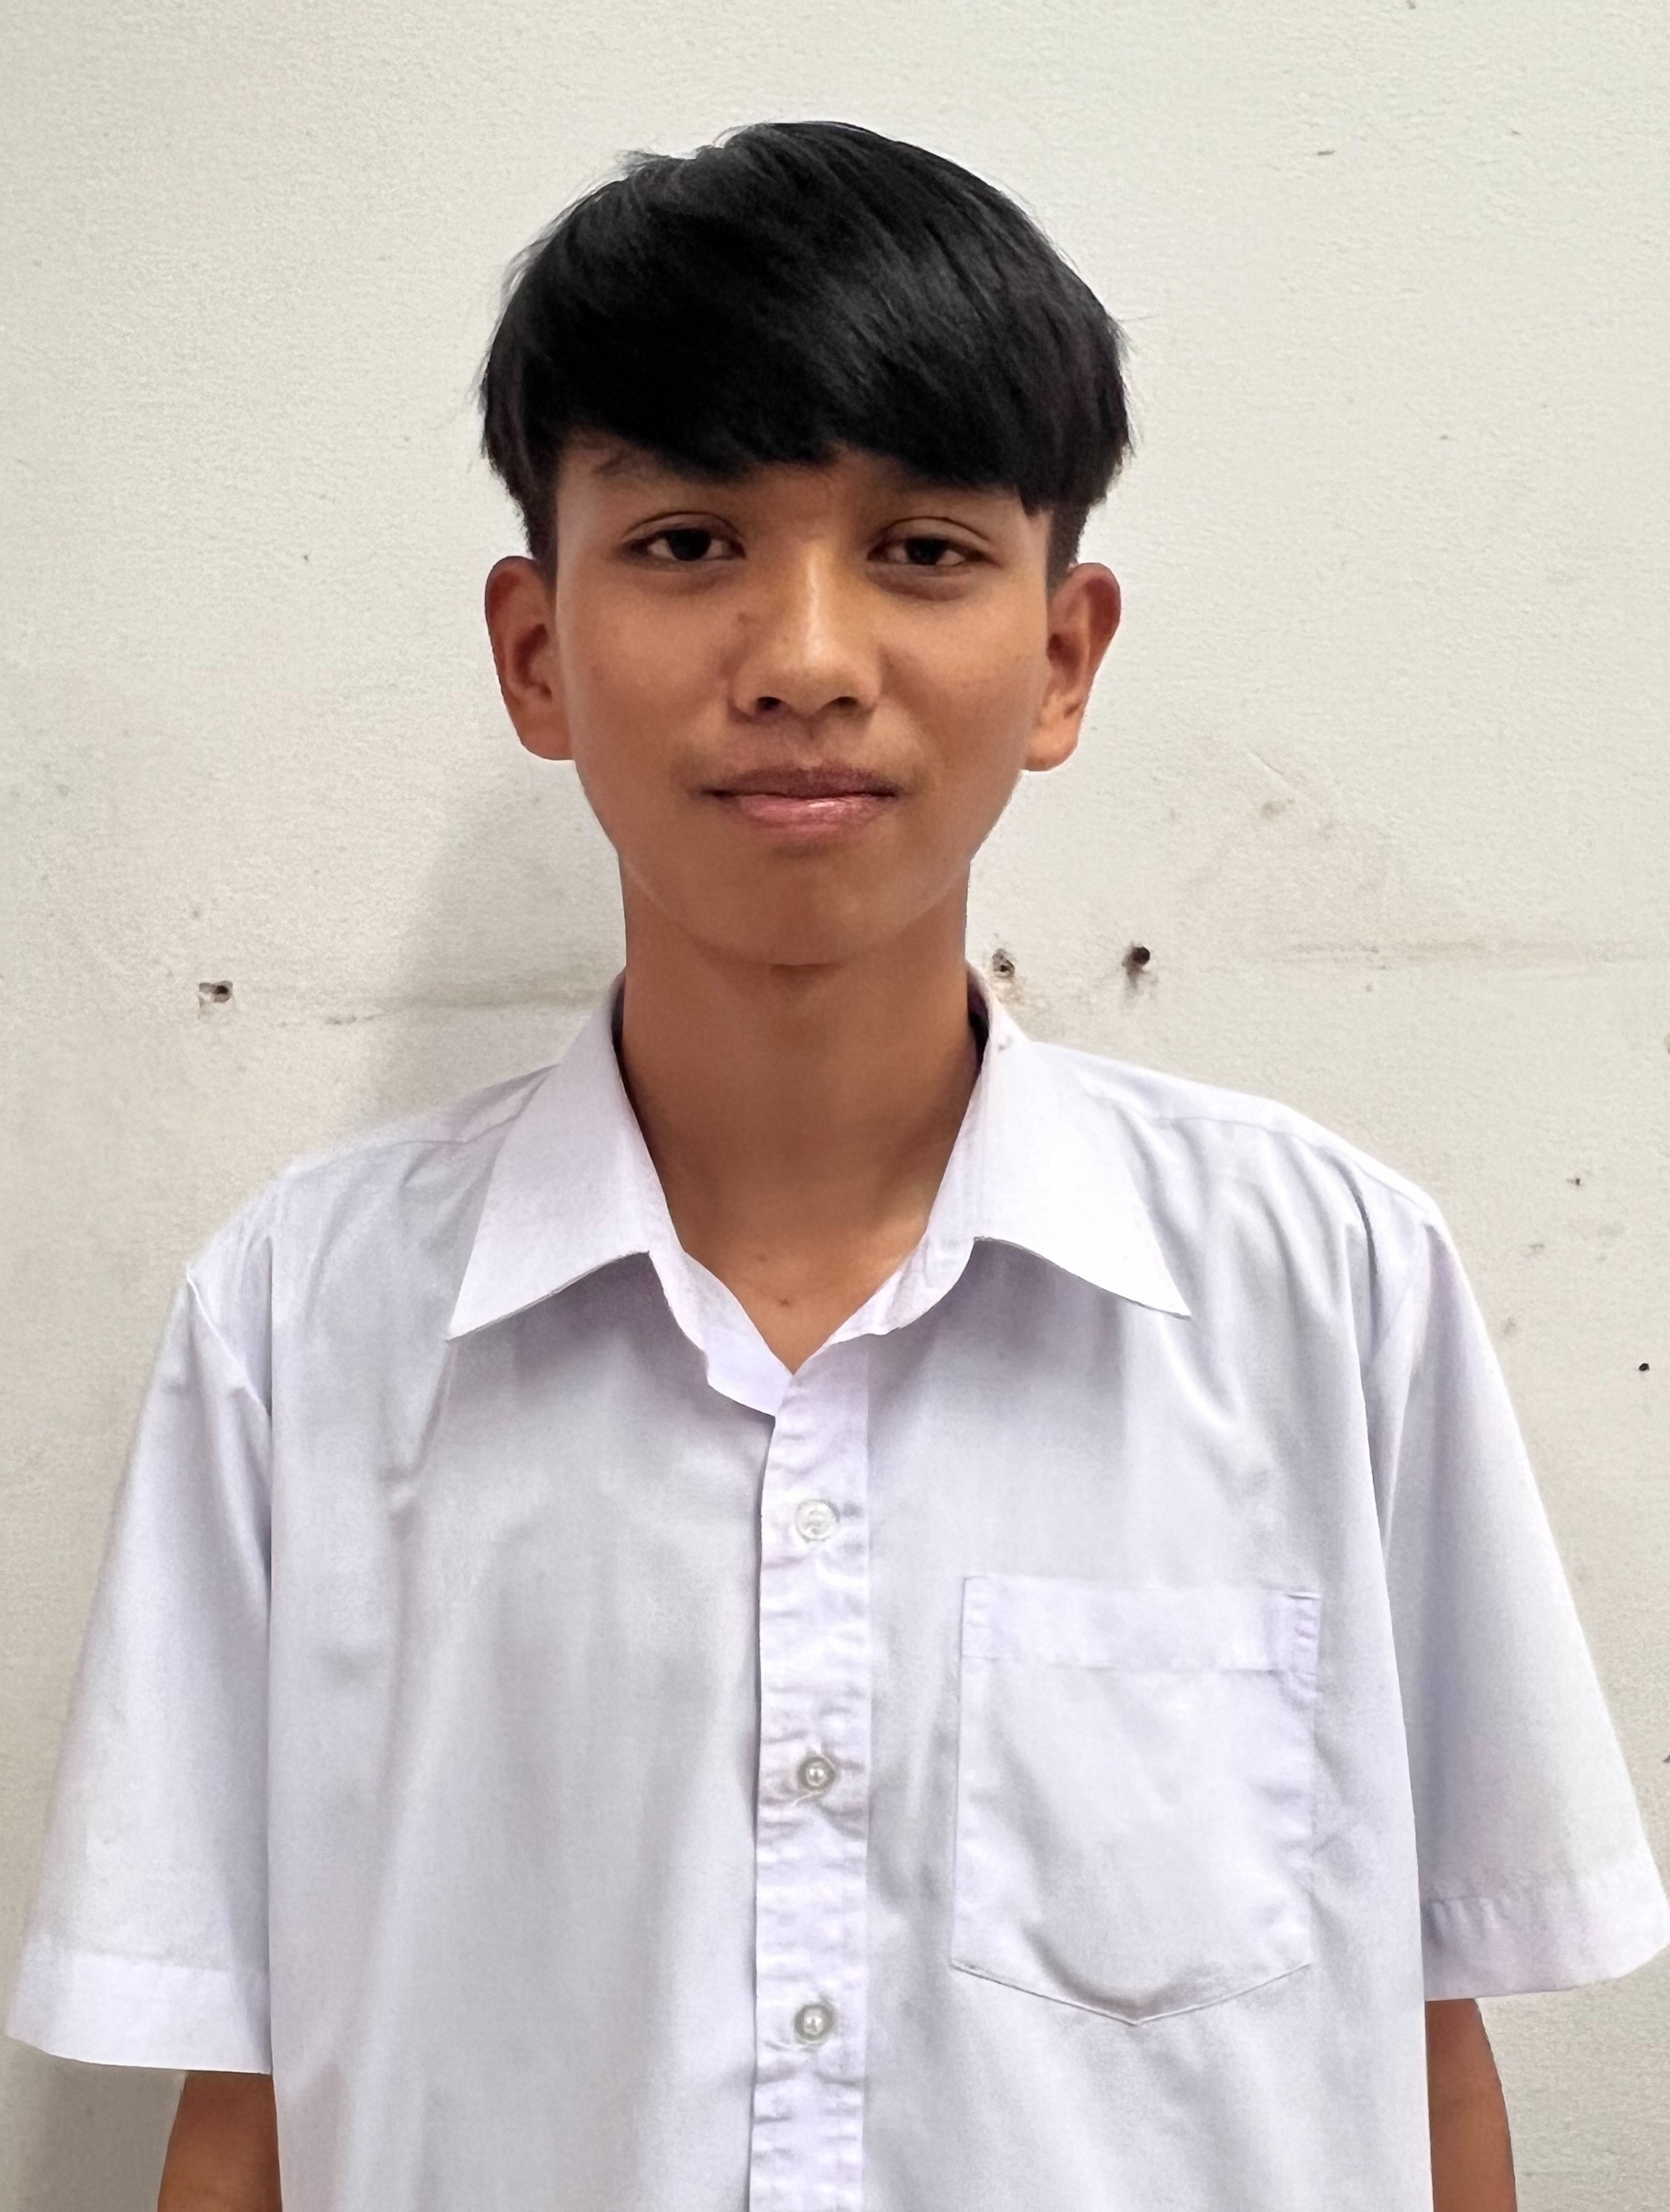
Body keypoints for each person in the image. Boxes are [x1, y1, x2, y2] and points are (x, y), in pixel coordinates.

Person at [7, 118, 1666, 2212]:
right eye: (690, 540)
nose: (803, 655)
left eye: (924, 549)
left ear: (1063, 655)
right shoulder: (301, 1328)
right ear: (536, 652)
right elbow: (240, 2119)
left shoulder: (1326, 1291)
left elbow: (1428, 2073)